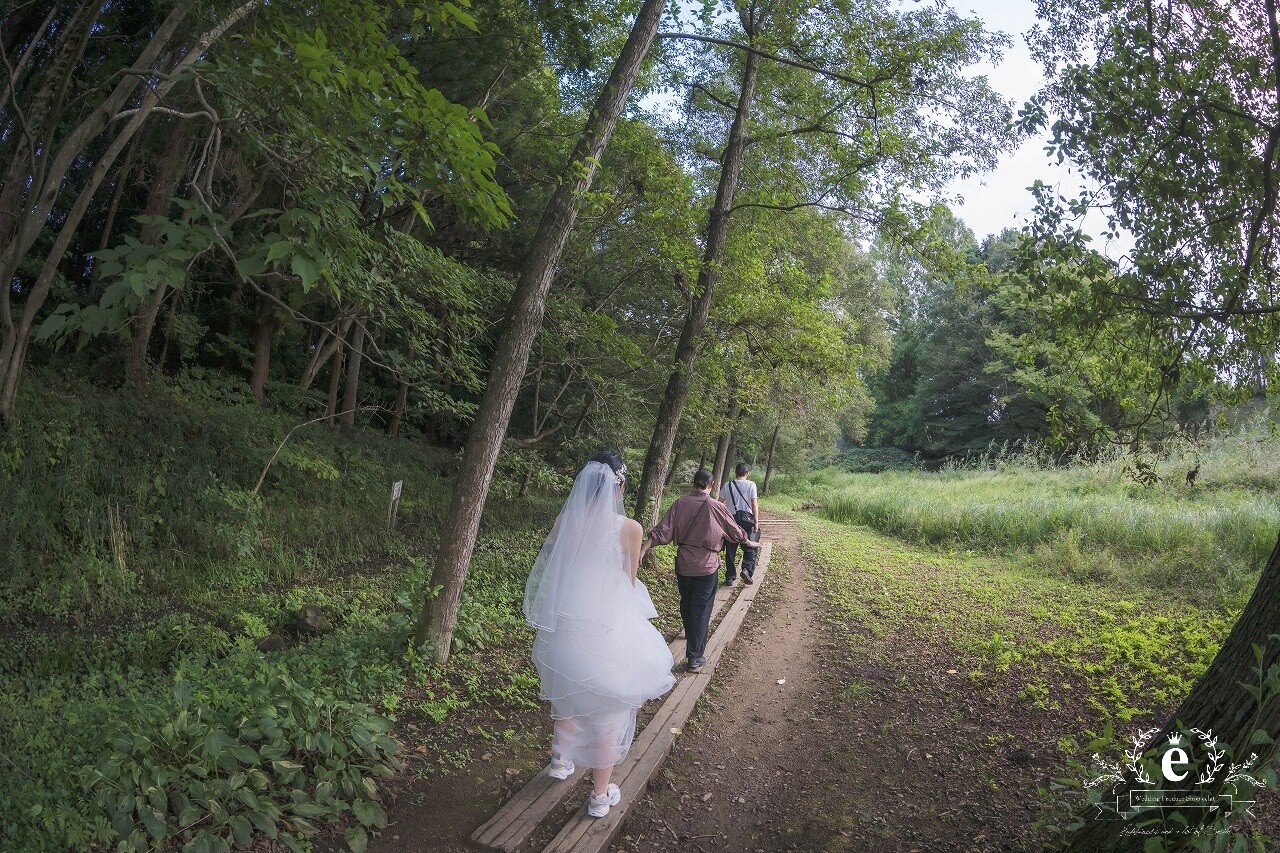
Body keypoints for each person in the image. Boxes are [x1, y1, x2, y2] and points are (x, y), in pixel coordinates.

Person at [523, 451, 676, 819]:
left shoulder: (565, 520)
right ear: (619, 485)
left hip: (567, 616)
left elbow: (558, 569)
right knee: (608, 705)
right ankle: (599, 794)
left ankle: (561, 761)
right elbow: (628, 579)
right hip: (608, 619)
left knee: (568, 685)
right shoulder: (631, 528)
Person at [640, 468, 759, 672]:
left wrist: (643, 549)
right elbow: (734, 531)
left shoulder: (679, 504)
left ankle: (689, 631)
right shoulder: (716, 507)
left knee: (686, 601)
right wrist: (748, 540)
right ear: (711, 486)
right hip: (707, 565)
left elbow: (663, 531)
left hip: (684, 564)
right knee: (701, 609)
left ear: (694, 484)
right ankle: (695, 657)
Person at [719, 462, 761, 585]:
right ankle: (747, 570)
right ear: (747, 473)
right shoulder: (751, 485)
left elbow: (720, 503)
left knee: (730, 550)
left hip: (730, 520)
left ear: (735, 472)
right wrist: (756, 522)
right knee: (750, 547)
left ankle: (730, 577)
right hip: (747, 521)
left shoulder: (728, 485)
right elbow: (754, 504)